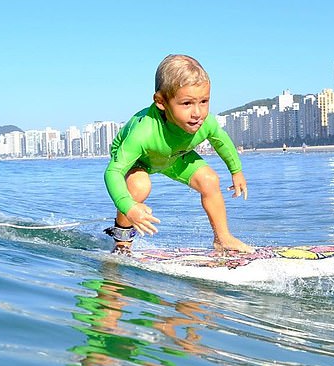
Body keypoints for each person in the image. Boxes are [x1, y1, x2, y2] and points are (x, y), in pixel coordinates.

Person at [104, 54, 252, 255]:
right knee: (139, 186)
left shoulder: (204, 123)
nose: (197, 113)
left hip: (173, 156)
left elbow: (221, 141)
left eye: (204, 101)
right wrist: (128, 206)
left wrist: (237, 171)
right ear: (161, 101)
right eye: (186, 103)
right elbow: (112, 172)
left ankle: (222, 239)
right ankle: (122, 241)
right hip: (139, 160)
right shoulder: (144, 132)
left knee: (209, 180)